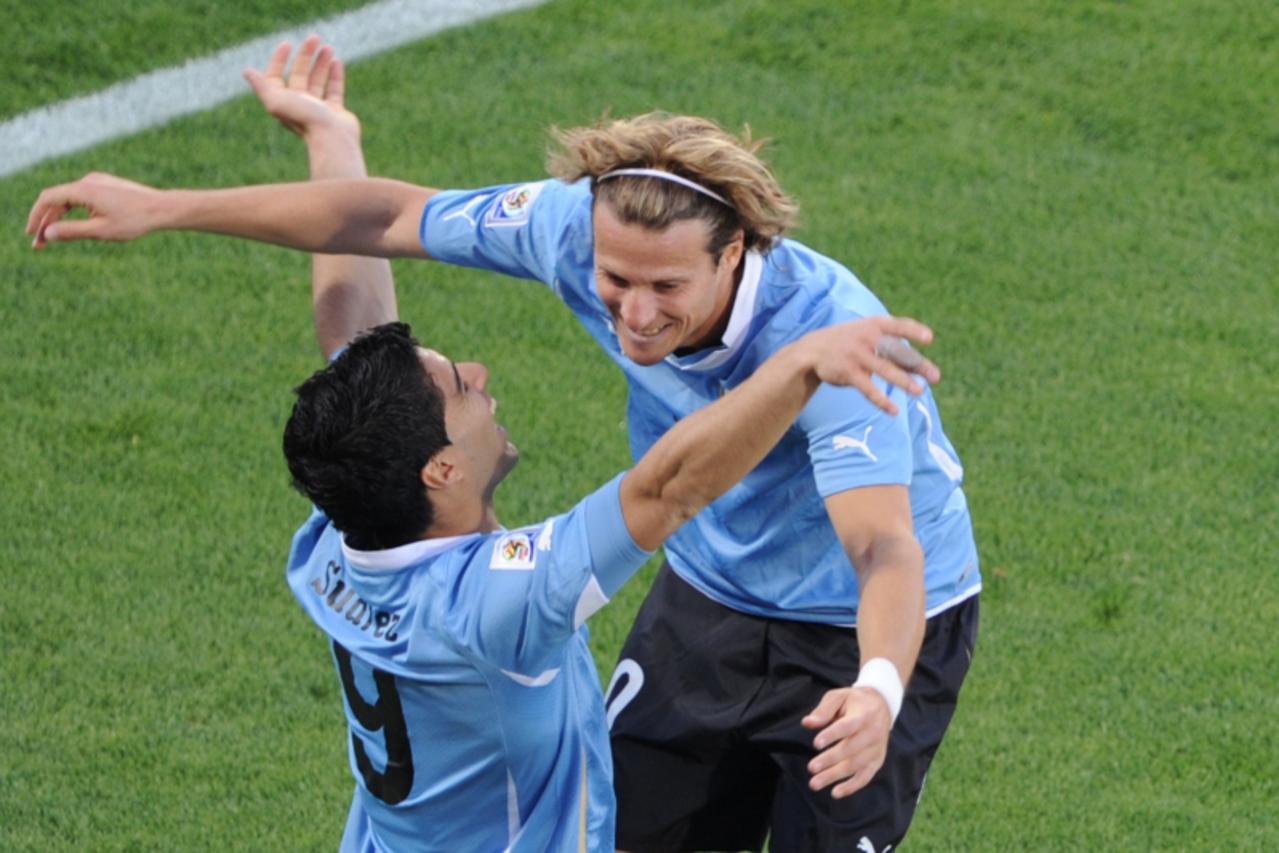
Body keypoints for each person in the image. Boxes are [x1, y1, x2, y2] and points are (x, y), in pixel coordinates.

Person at [28, 46, 978, 851]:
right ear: (437, 469)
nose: (634, 317)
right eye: (459, 391)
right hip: (710, 599)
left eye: (662, 286)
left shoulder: (335, 537)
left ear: (734, 252)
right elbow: (669, 486)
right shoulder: (513, 596)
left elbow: (886, 549)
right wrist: (800, 367)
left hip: (858, 623)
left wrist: (287, 157)